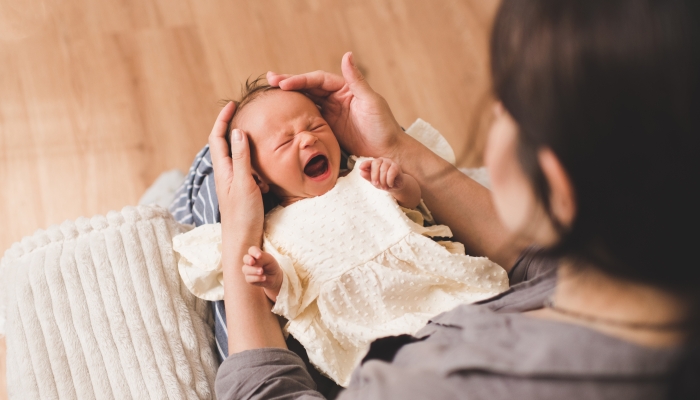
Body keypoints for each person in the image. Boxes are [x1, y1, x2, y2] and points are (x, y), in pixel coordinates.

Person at [201, 0, 700, 398]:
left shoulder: (431, 384)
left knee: (204, 177)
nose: (309, 139)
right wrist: (393, 145)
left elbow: (265, 391)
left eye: (507, 109)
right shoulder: (643, 296)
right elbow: (551, 270)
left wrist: (236, 234)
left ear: (556, 183)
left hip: (390, 324)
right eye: (286, 142)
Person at [174, 79, 509, 386]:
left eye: (316, 125)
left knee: (480, 318)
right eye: (285, 142)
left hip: (431, 287)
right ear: (258, 180)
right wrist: (272, 277)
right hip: (361, 324)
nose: (307, 138)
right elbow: (292, 298)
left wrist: (397, 183)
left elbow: (417, 212)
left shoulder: (362, 174)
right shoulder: (270, 230)